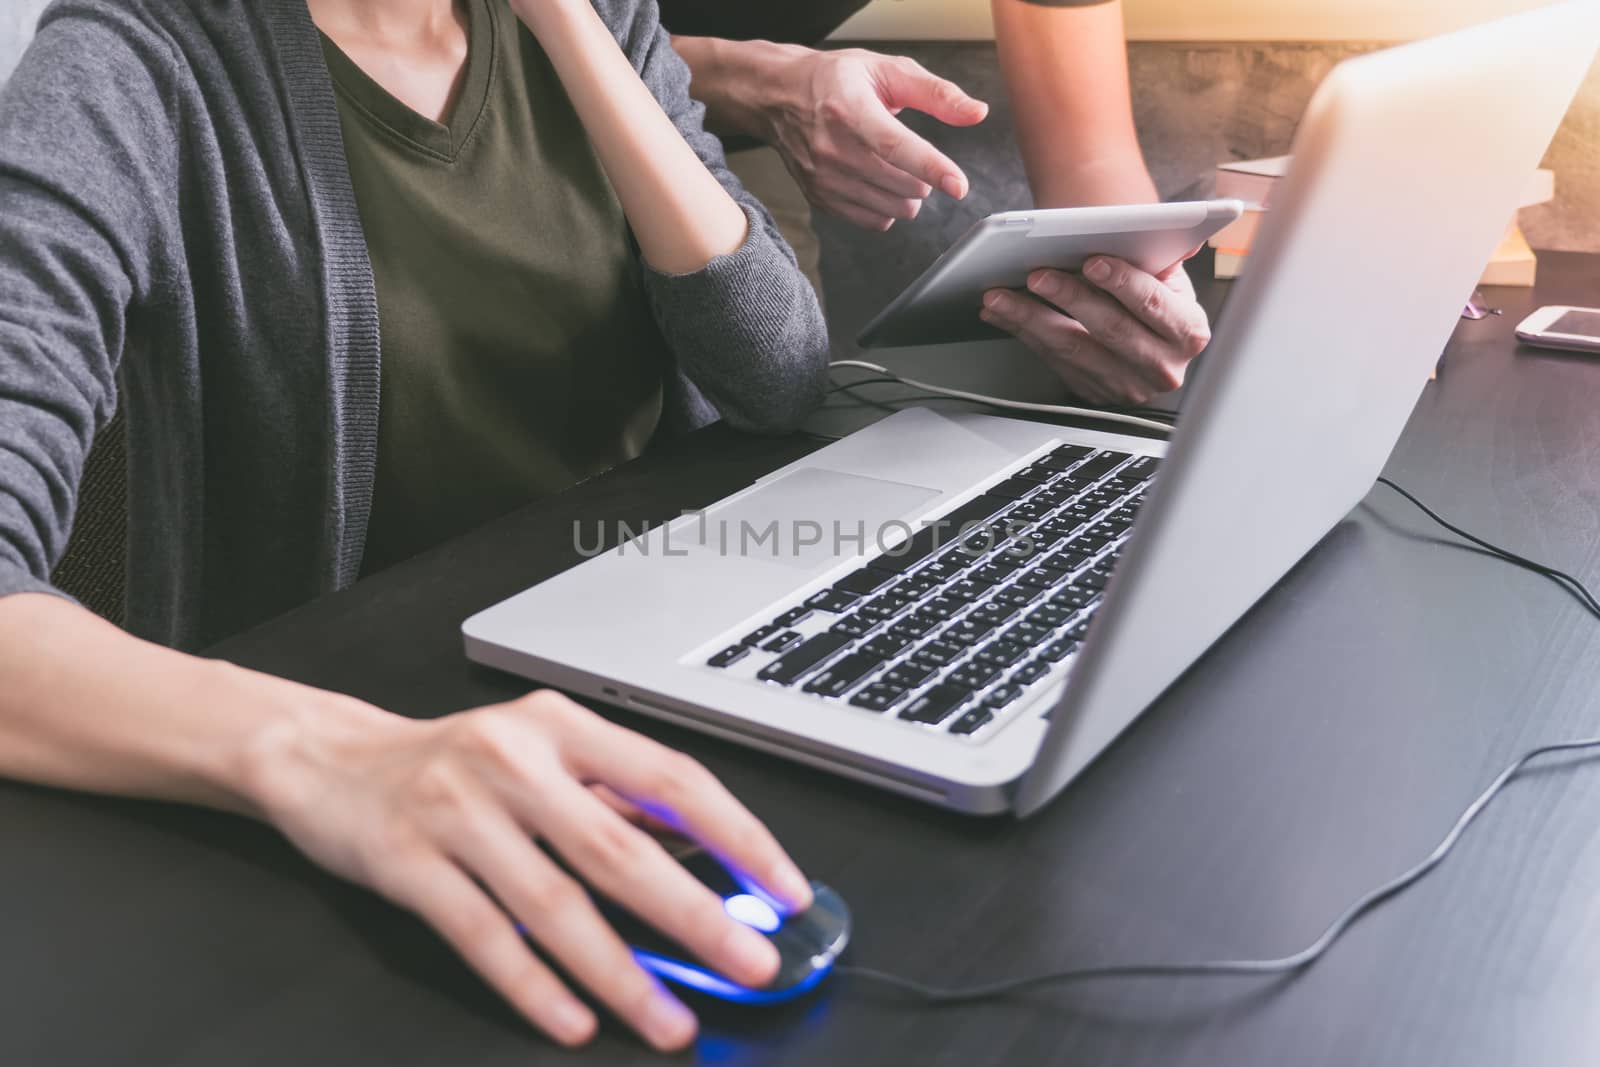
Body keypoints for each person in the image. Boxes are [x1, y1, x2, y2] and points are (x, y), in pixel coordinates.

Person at [0, 0, 830, 1052]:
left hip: (664, 675)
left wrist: (572, 29)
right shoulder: (131, 58)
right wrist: (329, 756)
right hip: (359, 765)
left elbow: (778, 373)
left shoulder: (607, 21)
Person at [665, 0, 1213, 406]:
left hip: (735, 127)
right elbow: (587, 30)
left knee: (772, 407)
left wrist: (1133, 300)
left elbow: (1089, 158)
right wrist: (756, 81)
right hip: (596, 114)